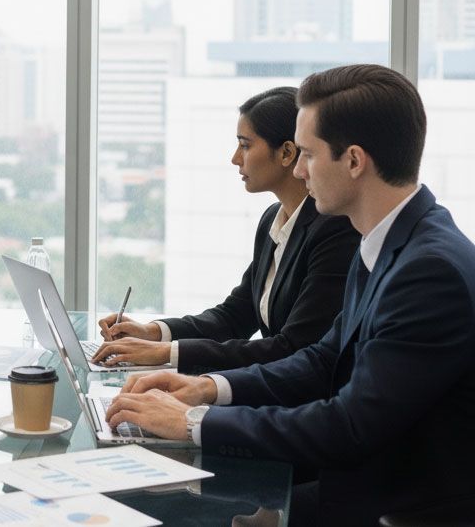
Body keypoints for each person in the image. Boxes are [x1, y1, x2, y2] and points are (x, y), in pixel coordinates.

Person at [104, 65, 475, 525]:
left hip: (394, 508)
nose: (298, 169)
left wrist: (193, 421)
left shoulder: (428, 271)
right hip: (358, 483)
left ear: (354, 161)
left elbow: (350, 425)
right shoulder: (385, 239)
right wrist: (207, 388)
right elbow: (322, 360)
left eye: (308, 155)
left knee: (156, 505)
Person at [93, 87, 359, 374]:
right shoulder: (273, 219)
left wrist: (166, 353)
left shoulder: (334, 231)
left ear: (286, 153)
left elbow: (292, 347)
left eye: (245, 145)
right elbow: (235, 316)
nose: (235, 158)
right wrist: (153, 333)